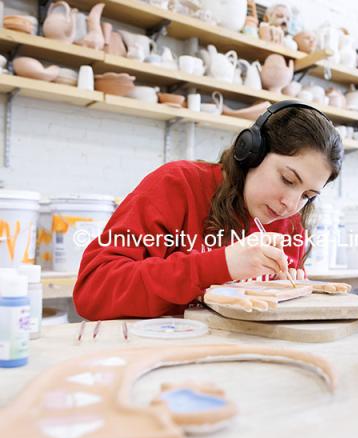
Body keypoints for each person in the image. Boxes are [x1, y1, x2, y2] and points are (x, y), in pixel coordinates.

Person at [73, 100, 343, 320]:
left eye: (308, 195)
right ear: (251, 152)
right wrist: (219, 266)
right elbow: (94, 291)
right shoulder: (176, 185)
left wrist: (287, 290)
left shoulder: (289, 221)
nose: (291, 205)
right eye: (287, 179)